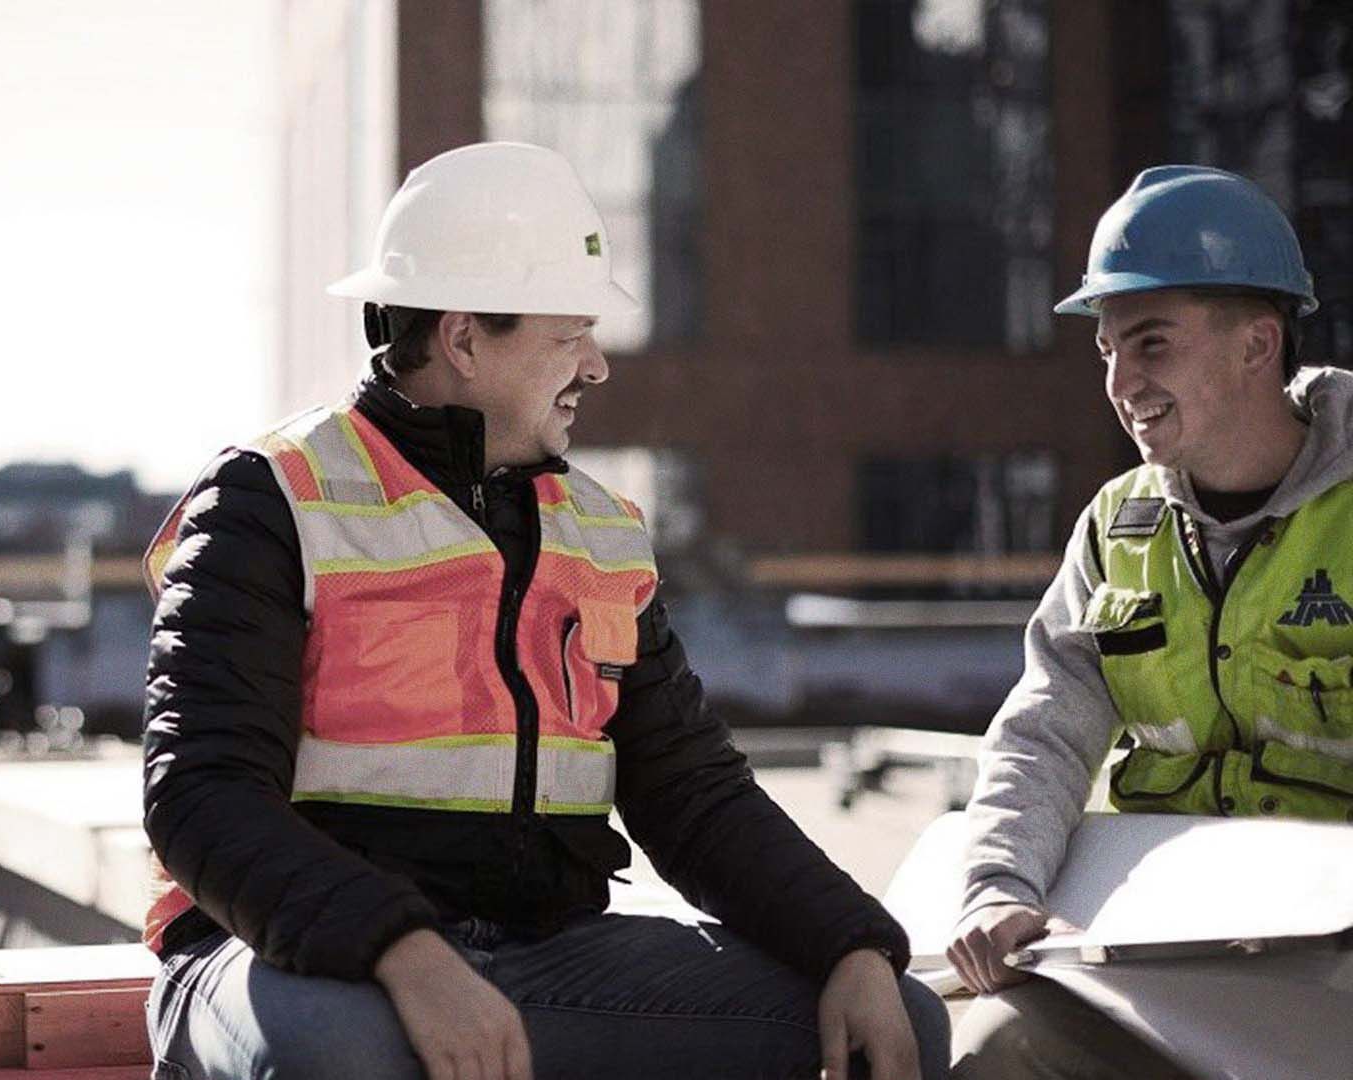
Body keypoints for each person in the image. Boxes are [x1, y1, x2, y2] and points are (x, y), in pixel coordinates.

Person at [140, 141, 949, 1080]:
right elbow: (201, 796)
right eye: (570, 334)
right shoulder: (269, 498)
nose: (597, 366)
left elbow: (693, 796)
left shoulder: (599, 534)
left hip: (535, 963)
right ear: (465, 338)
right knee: (351, 1060)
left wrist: (849, 942)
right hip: (283, 956)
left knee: (897, 1025)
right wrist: (403, 953)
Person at [949, 165, 1353, 1077]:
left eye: (1151, 345)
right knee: (988, 1048)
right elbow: (1044, 731)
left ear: (1257, 345)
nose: (1121, 381)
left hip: (1333, 967)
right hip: (1156, 958)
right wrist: (998, 888)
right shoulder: (1116, 526)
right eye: (1106, 351)